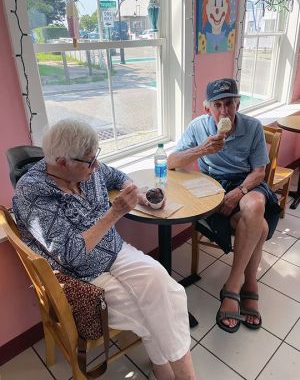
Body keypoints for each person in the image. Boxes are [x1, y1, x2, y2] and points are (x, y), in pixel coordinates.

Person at [13, 119, 196, 380]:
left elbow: (116, 176)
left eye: (95, 156)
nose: (96, 165)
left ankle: (167, 369)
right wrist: (114, 214)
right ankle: (177, 374)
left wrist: (140, 194)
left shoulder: (87, 169)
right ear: (63, 162)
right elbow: (72, 255)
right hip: (82, 275)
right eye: (90, 161)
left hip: (115, 251)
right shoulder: (33, 194)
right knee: (154, 310)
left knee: (167, 289)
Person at [168, 78, 281, 334]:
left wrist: (238, 192)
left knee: (254, 204)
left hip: (247, 183)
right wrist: (201, 149)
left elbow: (259, 172)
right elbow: (172, 161)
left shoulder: (252, 127)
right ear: (208, 109)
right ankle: (250, 283)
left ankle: (232, 286)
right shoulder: (198, 127)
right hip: (215, 187)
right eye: (217, 105)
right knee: (259, 226)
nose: (224, 111)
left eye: (229, 103)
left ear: (237, 103)